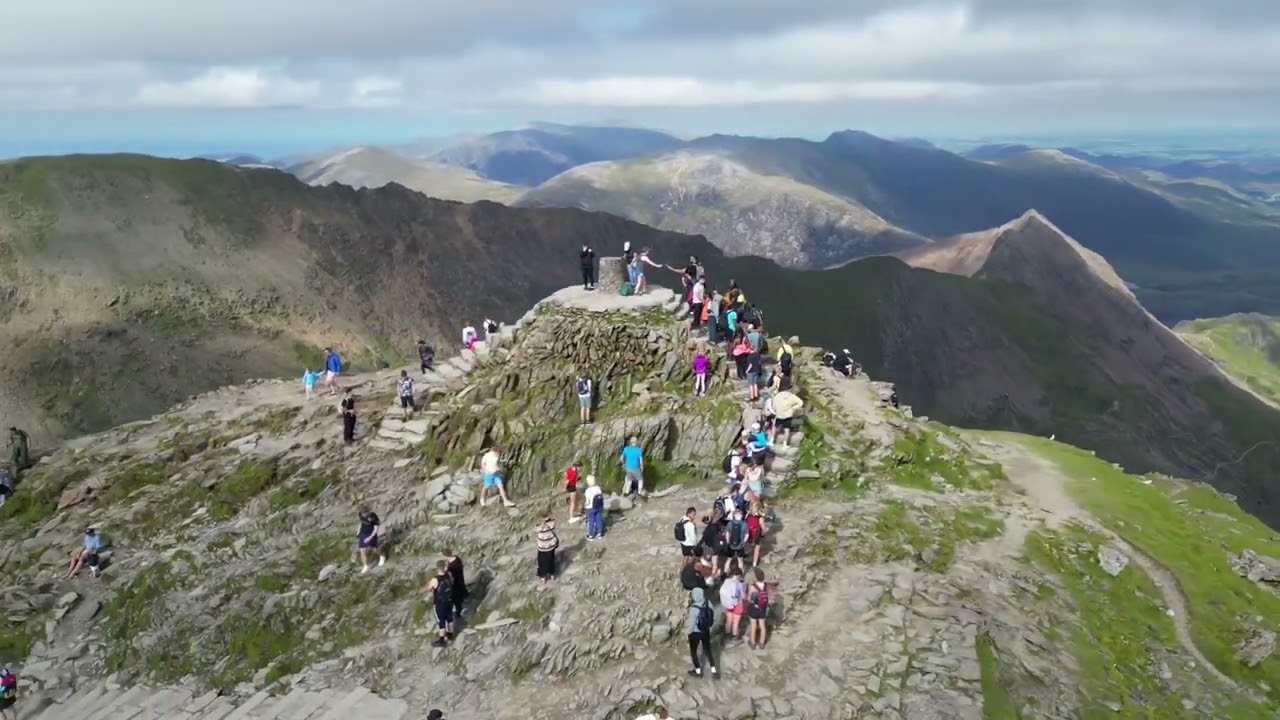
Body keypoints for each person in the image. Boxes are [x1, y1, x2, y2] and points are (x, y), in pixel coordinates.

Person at [685, 587, 719, 679]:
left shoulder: (694, 609)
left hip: (695, 633)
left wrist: (688, 633)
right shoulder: (708, 603)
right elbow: (712, 617)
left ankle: (698, 671)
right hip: (705, 630)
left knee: (693, 652)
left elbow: (691, 624)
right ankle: (714, 670)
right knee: (707, 650)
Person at [425, 560, 456, 648]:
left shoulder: (435, 579)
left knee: (441, 621)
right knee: (449, 618)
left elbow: (429, 589)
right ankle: (450, 634)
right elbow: (451, 582)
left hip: (439, 604)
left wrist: (429, 585)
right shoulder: (448, 574)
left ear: (437, 568)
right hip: (449, 601)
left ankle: (441, 641)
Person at [719, 566, 746, 643]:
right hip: (738, 604)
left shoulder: (726, 581)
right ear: (739, 575)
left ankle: (727, 635)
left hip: (728, 604)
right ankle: (734, 637)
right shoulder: (739, 584)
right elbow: (743, 596)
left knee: (729, 620)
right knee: (735, 622)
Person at [746, 567, 770, 649]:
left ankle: (752, 643)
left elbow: (749, 598)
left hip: (753, 607)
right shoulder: (766, 585)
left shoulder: (752, 586)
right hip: (762, 608)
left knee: (753, 626)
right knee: (762, 626)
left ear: (755, 577)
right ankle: (762, 643)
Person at [356, 507, 385, 573]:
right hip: (363, 533)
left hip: (371, 533)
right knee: (362, 550)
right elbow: (361, 523)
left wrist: (370, 538)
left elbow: (376, 529)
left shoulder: (374, 517)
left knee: (373, 548)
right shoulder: (361, 515)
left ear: (368, 512)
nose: (364, 515)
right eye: (363, 514)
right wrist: (358, 532)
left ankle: (382, 556)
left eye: (365, 513)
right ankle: (365, 566)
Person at [442, 550, 468, 620]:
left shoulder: (451, 567)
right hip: (461, 581)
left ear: (446, 556)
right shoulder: (457, 559)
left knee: (456, 600)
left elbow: (450, 577)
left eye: (443, 556)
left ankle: (459, 614)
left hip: (455, 585)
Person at [723, 509, 751, 573]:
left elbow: (727, 534)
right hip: (740, 546)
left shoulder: (729, 523)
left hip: (731, 545)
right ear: (741, 516)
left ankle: (725, 573)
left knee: (728, 560)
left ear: (734, 516)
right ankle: (742, 574)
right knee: (740, 560)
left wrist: (728, 543)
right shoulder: (744, 524)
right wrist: (743, 543)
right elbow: (747, 535)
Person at [536, 516, 559, 585]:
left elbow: (537, 529)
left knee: (541, 561)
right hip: (550, 544)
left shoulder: (538, 522)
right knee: (551, 559)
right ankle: (552, 574)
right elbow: (553, 526)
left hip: (542, 545)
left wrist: (542, 522)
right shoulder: (551, 521)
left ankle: (543, 576)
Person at [584, 475, 605, 540]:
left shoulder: (588, 491)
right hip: (598, 506)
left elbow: (587, 501)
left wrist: (585, 505)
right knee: (599, 520)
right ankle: (599, 534)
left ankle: (591, 535)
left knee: (591, 521)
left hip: (590, 507)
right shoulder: (598, 488)